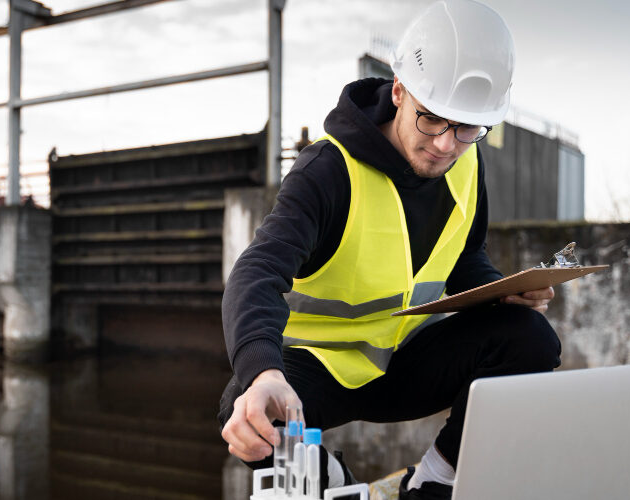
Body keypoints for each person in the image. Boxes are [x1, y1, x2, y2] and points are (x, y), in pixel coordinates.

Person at [217, 1, 561, 499]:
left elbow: (465, 260)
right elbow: (259, 269)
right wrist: (262, 369)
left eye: (467, 128)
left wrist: (499, 291)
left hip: (407, 361)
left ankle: (432, 484)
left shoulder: (467, 162)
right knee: (244, 408)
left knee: (530, 338)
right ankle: (337, 485)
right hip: (322, 370)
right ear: (399, 90)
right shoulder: (327, 172)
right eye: (431, 120)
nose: (446, 145)